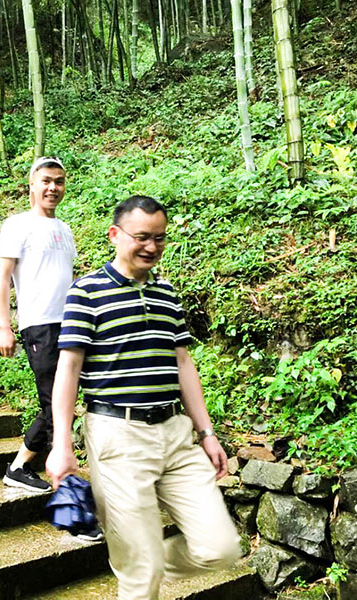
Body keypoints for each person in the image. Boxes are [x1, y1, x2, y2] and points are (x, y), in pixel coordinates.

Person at [46, 196, 241, 599]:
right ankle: (139, 569)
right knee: (140, 575)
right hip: (118, 436)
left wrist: (206, 432)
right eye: (141, 237)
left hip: (175, 433)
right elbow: (69, 369)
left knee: (220, 548)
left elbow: (182, 362)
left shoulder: (166, 293)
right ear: (115, 235)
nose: (151, 246)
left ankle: (143, 564)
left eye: (159, 238)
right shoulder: (86, 292)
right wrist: (61, 444)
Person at [0, 157, 75, 494]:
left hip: (70, 324)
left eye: (58, 181)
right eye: (46, 181)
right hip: (39, 325)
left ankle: (24, 466)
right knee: (54, 403)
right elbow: (2, 279)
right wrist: (4, 325)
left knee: (63, 401)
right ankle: (53, 479)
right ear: (32, 184)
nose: (52, 187)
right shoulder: (17, 225)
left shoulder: (65, 230)